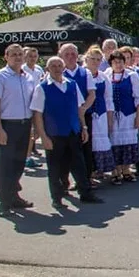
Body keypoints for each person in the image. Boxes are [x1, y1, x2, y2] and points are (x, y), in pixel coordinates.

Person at [31, 56, 103, 209]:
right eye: (53, 66)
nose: (57, 69)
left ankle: (86, 193)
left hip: (72, 131)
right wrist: (43, 136)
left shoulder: (72, 84)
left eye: (59, 65)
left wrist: (83, 127)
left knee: (79, 164)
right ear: (48, 69)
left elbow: (79, 108)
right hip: (54, 134)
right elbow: (37, 114)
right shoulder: (42, 87)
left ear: (63, 68)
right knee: (55, 167)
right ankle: (57, 197)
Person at [0, 44, 36, 217]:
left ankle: (14, 195)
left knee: (19, 163)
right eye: (13, 54)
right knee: (6, 164)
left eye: (20, 54)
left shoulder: (28, 78)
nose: (17, 57)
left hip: (25, 125)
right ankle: (4, 202)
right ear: (6, 57)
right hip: (8, 125)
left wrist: (33, 127)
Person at [103, 50, 139, 184]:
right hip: (112, 115)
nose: (118, 64)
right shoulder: (106, 76)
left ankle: (126, 170)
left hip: (128, 115)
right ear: (111, 63)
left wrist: (138, 117)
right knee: (113, 142)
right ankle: (115, 170)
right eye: (115, 62)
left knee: (128, 143)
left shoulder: (132, 76)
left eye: (120, 61)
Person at [59, 43, 96, 184]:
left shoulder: (85, 72)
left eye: (73, 54)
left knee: (85, 147)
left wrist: (84, 108)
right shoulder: (57, 72)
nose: (70, 57)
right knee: (65, 150)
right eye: (66, 54)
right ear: (61, 55)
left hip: (84, 115)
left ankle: (85, 179)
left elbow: (92, 94)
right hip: (64, 118)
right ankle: (64, 180)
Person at [84, 47, 115, 179]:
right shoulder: (82, 74)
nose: (96, 62)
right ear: (86, 59)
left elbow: (108, 99)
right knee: (86, 144)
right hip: (86, 114)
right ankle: (87, 173)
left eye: (98, 59)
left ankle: (98, 170)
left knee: (101, 142)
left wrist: (109, 119)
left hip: (101, 114)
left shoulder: (103, 77)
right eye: (93, 59)